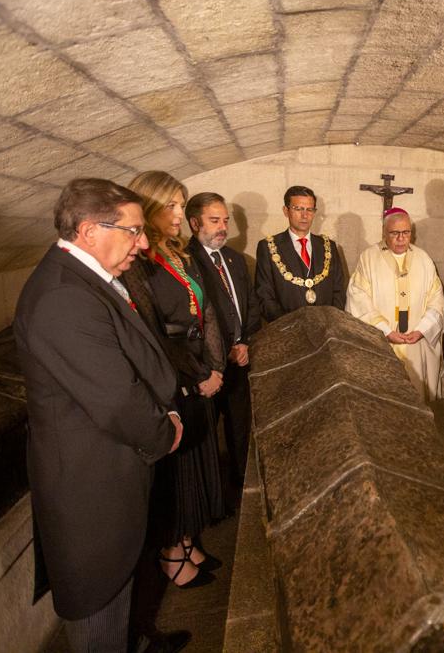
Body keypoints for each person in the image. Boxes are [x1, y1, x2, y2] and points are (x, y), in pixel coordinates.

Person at [15, 178, 184, 652]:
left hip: (114, 472)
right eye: (133, 231)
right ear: (89, 231)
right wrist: (165, 430)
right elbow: (114, 399)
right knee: (99, 620)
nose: (144, 242)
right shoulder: (62, 295)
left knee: (123, 599)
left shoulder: (87, 278)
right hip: (91, 493)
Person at [121, 171, 226, 591]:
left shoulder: (177, 253)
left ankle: (188, 540)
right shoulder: (140, 263)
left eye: (182, 205)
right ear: (148, 207)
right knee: (179, 468)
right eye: (172, 206)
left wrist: (217, 366)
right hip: (176, 372)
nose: (180, 214)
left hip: (199, 365)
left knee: (198, 458)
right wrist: (201, 374)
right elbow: (154, 332)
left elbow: (207, 312)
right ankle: (173, 553)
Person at [185, 191, 261, 491]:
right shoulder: (187, 262)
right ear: (194, 223)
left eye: (225, 221)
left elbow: (251, 305)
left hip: (240, 362)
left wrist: (246, 342)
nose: (223, 228)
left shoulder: (235, 260)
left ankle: (242, 491)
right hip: (208, 368)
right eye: (214, 220)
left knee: (241, 432)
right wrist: (218, 354)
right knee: (206, 439)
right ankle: (214, 497)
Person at [346, 208, 444, 401]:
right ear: (384, 232)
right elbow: (358, 299)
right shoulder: (368, 258)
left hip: (416, 343)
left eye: (406, 232)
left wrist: (422, 330)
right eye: (394, 233)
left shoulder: (423, 258)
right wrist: (385, 331)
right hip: (382, 342)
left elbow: (437, 300)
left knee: (417, 399)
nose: (401, 238)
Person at [255, 185, 346, 322]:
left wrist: (330, 322)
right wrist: (290, 327)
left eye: (309, 209)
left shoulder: (328, 246)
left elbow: (338, 291)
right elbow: (264, 296)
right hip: (286, 331)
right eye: (298, 209)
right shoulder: (268, 247)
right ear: (286, 211)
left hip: (326, 330)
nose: (305, 215)